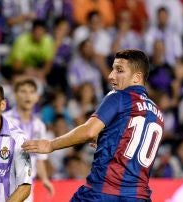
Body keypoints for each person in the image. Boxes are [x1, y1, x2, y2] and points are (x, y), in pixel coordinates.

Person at [22, 49, 165, 201]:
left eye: (119, 70)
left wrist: (51, 145)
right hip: (139, 197)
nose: (111, 76)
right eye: (112, 69)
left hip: (103, 192)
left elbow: (89, 131)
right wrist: (107, 141)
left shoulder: (119, 97)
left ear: (137, 78)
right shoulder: (157, 114)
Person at [3, 78, 54, 201]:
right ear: (15, 95)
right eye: (23, 91)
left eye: (32, 92)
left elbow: (40, 158)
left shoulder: (39, 125)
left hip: (27, 184)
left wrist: (45, 179)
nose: (28, 96)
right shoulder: (3, 121)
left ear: (37, 97)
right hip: (4, 181)